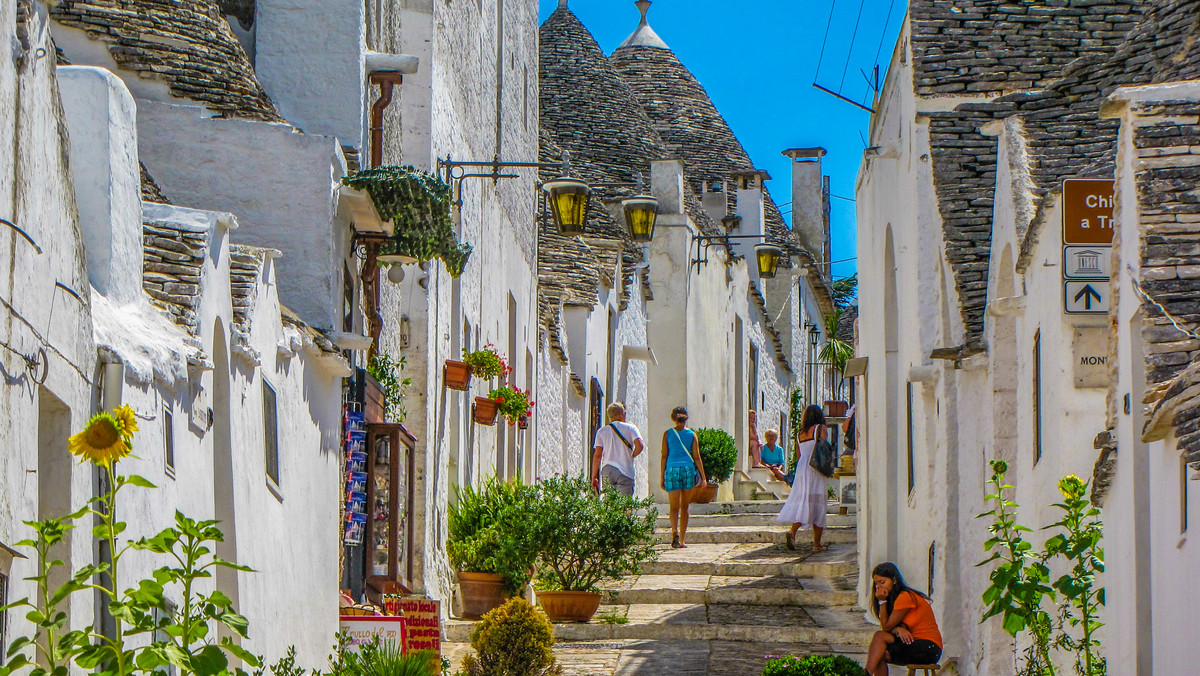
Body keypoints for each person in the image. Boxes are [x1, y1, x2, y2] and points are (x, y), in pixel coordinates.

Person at [865, 562, 943, 675]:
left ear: (894, 580)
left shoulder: (905, 597)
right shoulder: (895, 600)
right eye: (877, 584)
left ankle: (866, 673)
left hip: (928, 647)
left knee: (880, 654)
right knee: (879, 638)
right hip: (912, 641)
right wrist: (898, 629)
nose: (880, 587)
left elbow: (886, 627)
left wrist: (882, 601)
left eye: (883, 582)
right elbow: (888, 629)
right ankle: (866, 672)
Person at [771, 404, 829, 551]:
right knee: (818, 503)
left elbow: (799, 455)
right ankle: (817, 544)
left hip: (803, 467)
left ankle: (793, 531)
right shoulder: (820, 429)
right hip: (815, 467)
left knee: (804, 501)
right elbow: (823, 448)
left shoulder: (799, 434)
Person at [660, 406, 706, 549]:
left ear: (673, 418)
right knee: (685, 507)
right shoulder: (692, 435)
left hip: (672, 469)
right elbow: (697, 457)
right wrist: (703, 478)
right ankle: (682, 541)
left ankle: (674, 530)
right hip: (687, 469)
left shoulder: (667, 434)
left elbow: (664, 456)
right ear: (686, 418)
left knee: (674, 507)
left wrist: (662, 476)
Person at [591, 402, 645, 497]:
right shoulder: (631, 428)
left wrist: (594, 476)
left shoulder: (601, 431)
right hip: (625, 469)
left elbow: (598, 455)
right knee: (624, 504)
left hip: (607, 469)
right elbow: (640, 445)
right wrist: (632, 455)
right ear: (621, 413)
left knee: (610, 503)